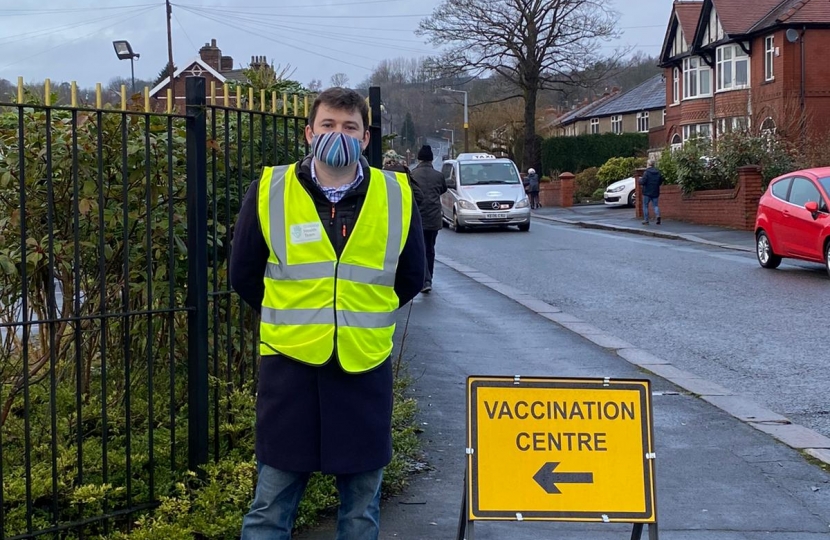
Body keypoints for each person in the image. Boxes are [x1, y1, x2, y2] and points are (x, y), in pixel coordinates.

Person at [231, 87, 426, 540]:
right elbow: (244, 274)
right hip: (290, 371)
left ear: (365, 138)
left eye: (349, 127)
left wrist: (354, 315)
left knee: (360, 513)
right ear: (309, 133)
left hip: (363, 369)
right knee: (270, 507)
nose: (338, 134)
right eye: (328, 125)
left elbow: (411, 276)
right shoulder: (269, 189)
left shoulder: (396, 194)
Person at [409, 145, 447, 293]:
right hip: (434, 217)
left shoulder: (413, 174)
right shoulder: (438, 176)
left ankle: (425, 279)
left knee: (420, 248)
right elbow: (443, 189)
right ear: (431, 159)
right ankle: (429, 277)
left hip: (418, 218)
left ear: (419, 158)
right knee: (430, 248)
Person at [640, 159, 664, 225]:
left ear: (648, 164)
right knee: (655, 205)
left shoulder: (646, 172)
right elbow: (661, 181)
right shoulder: (658, 172)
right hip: (655, 191)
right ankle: (658, 215)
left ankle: (646, 220)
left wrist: (640, 181)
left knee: (645, 205)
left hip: (647, 192)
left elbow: (643, 181)